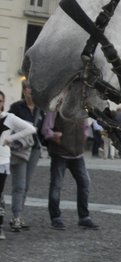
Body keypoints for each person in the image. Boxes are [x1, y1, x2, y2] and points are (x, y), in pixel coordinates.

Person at [42, 101, 97, 230]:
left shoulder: (81, 107)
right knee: (56, 185)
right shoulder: (56, 107)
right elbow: (45, 129)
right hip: (60, 153)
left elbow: (85, 126)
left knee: (85, 183)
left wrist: (84, 135)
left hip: (77, 154)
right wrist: (53, 135)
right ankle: (55, 217)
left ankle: (84, 217)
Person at [0, 92, 38, 240]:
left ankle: (1, 227)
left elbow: (31, 129)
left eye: (1, 101)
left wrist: (11, 138)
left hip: (2, 160)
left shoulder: (8, 117)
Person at [7, 82, 41, 231]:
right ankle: (16, 216)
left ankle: (19, 215)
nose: (31, 92)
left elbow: (45, 130)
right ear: (24, 90)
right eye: (29, 89)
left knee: (26, 185)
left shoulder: (40, 109)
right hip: (19, 150)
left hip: (35, 149)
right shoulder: (16, 107)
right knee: (19, 185)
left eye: (34, 89)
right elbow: (7, 125)